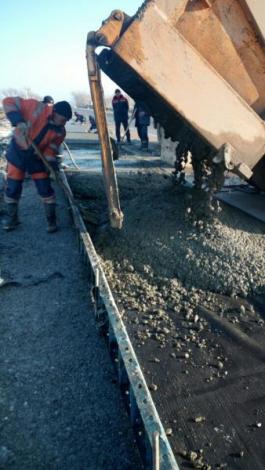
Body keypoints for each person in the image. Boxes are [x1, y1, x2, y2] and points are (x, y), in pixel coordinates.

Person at [2, 96, 72, 233]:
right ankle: (12, 219)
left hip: (37, 159)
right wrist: (18, 120)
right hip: (18, 152)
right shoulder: (34, 107)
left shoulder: (60, 131)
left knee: (45, 189)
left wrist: (50, 165)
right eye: (63, 119)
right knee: (13, 187)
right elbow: (8, 101)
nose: (64, 123)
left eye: (66, 121)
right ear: (55, 112)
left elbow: (51, 148)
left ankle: (51, 222)